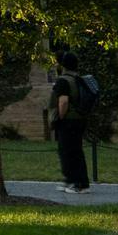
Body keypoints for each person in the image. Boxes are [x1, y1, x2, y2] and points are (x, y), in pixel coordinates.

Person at [50, 52, 90, 195]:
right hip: (80, 119)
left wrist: (60, 117)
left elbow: (64, 101)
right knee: (76, 151)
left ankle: (77, 183)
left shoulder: (63, 81)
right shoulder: (79, 79)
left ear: (62, 65)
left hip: (68, 120)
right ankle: (73, 180)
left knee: (68, 152)